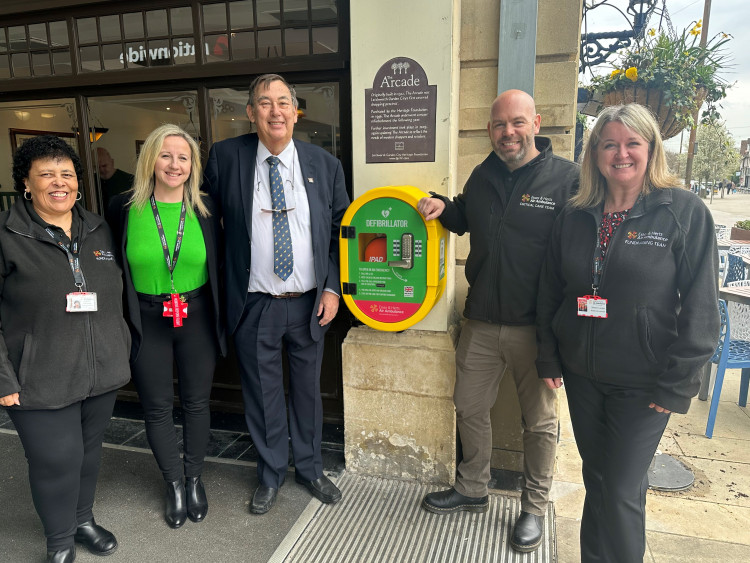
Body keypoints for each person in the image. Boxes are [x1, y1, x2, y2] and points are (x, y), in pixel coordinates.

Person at [535, 103, 720, 563]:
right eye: (609, 144)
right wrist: (549, 355)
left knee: (620, 489)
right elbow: (551, 291)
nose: (621, 153)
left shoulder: (683, 212)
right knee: (597, 479)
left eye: (632, 143)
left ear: (651, 148)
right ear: (594, 153)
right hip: (582, 374)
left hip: (645, 382)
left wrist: (679, 383)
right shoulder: (575, 213)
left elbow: (701, 306)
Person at [417, 89, 579, 552]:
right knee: (468, 405)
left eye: (517, 122)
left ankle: (533, 507)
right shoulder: (484, 173)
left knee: (540, 423)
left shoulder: (566, 180)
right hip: (483, 318)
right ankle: (472, 488)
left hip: (538, 326)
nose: (508, 132)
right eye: (499, 125)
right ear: (490, 130)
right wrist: (442, 206)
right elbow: (467, 215)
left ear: (536, 123)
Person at [203, 74, 350, 515]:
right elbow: (202, 216)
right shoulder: (226, 157)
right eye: (264, 103)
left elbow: (342, 234)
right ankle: (270, 473)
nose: (275, 111)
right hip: (254, 304)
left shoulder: (325, 165)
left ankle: (309, 467)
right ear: (251, 113)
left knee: (307, 391)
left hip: (309, 303)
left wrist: (332, 287)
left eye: (283, 102)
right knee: (262, 395)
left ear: (295, 110)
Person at [0, 136, 131, 562]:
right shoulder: (7, 235)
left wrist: (120, 346)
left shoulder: (97, 226)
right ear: (26, 183)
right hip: (37, 378)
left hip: (100, 371)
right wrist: (3, 378)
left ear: (78, 183)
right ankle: (59, 543)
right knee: (56, 461)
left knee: (88, 454)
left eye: (67, 175)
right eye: (47, 174)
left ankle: (82, 520)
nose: (59, 183)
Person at [106, 124, 226, 529]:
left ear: (193, 165)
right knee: (156, 408)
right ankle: (173, 483)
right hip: (146, 318)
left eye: (183, 157)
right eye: (166, 155)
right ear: (150, 160)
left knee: (196, 403)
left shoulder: (206, 209)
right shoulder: (122, 207)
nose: (174, 165)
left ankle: (194, 479)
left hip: (196, 316)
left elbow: (222, 266)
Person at [96, 147, 134, 212]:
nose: (101, 170)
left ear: (112, 162)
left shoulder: (130, 180)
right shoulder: (91, 183)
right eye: (97, 167)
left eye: (104, 166)